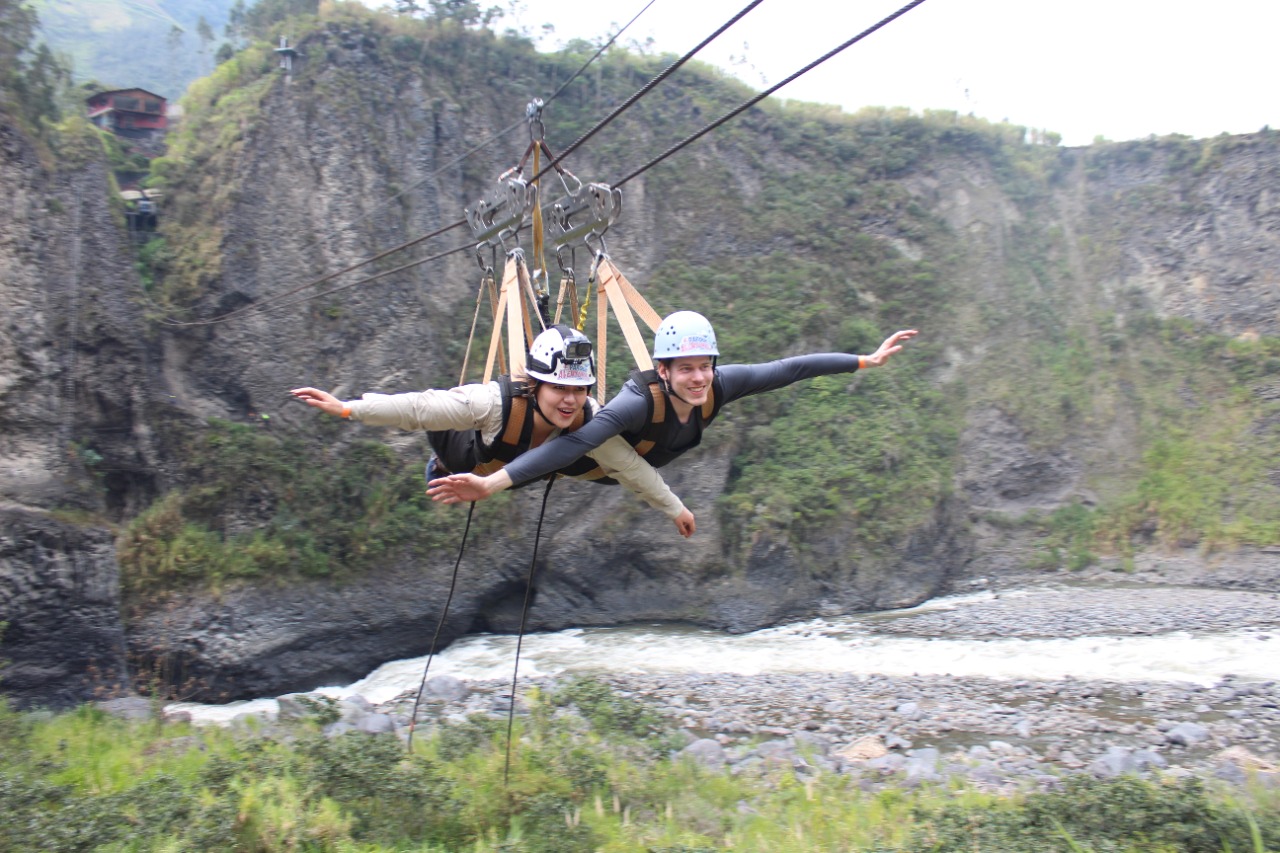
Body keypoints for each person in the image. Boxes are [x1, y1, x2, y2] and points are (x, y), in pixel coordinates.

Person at [427, 311, 917, 504]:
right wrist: (491, 484)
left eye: (705, 366)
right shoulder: (635, 405)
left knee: (524, 448)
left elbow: (789, 369)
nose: (699, 378)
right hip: (584, 460)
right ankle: (450, 459)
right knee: (503, 444)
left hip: (613, 471)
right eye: (686, 369)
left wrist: (864, 360)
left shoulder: (720, 385)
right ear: (663, 370)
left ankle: (472, 461)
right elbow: (576, 444)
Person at [291, 324, 697, 537]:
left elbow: (630, 467)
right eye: (559, 389)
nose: (570, 401)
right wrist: (349, 408)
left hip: (501, 472)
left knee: (586, 455)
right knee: (446, 422)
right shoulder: (495, 403)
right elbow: (419, 408)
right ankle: (437, 466)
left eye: (579, 390)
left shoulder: (588, 421)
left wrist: (675, 509)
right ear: (535, 385)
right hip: (460, 453)